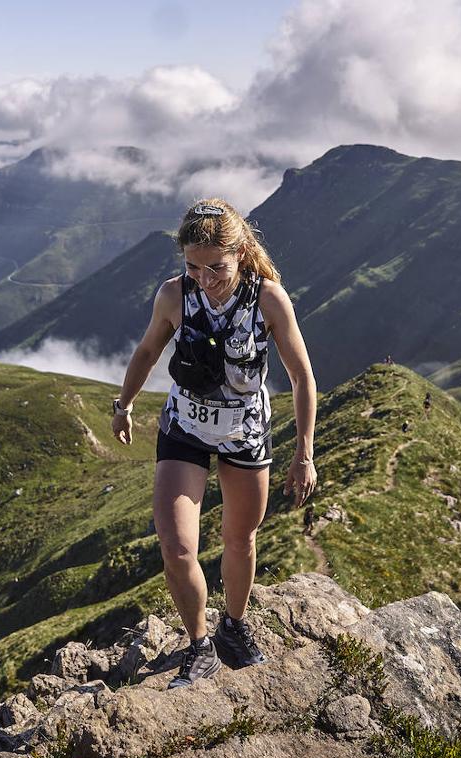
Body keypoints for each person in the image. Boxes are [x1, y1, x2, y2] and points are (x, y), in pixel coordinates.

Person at [110, 198, 317, 689]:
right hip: (184, 428)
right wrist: (124, 404)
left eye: (216, 267)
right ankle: (199, 644)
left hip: (245, 433)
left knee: (240, 540)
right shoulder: (173, 295)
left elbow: (302, 376)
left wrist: (304, 453)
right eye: (193, 266)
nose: (205, 278)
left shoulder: (268, 299)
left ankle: (234, 627)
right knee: (177, 547)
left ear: (241, 252)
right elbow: (146, 350)